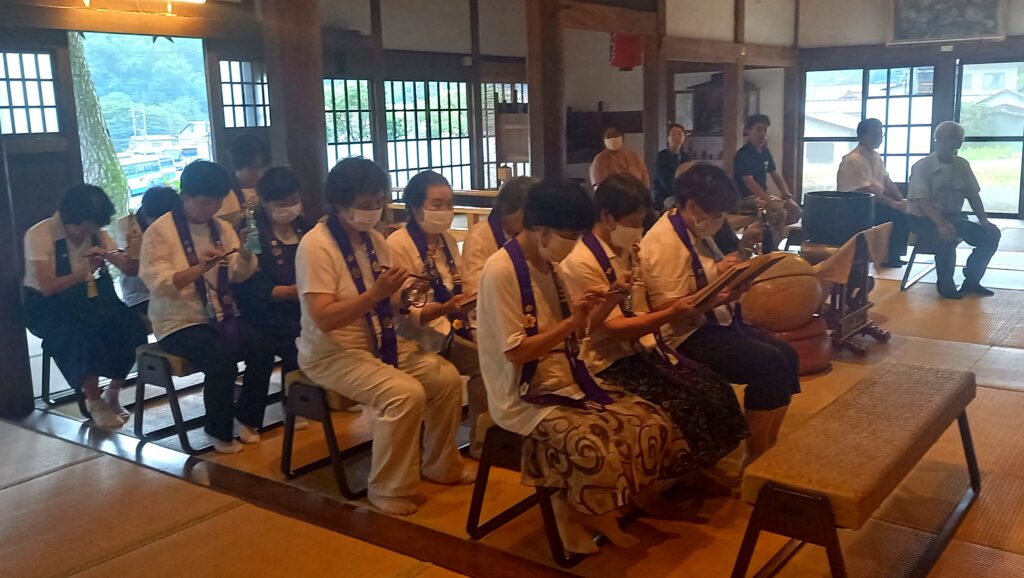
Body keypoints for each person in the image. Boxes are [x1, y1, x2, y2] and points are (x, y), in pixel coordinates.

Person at [476, 178, 691, 554]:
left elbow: (583, 332)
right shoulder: (501, 270)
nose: (573, 243)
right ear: (539, 227)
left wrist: (605, 301)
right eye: (568, 235)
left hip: (566, 377)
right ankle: (578, 513)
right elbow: (516, 354)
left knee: (648, 419)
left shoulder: (548, 263)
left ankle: (598, 507)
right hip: (523, 392)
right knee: (591, 442)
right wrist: (570, 323)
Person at [296, 157, 471, 516]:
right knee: (404, 394)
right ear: (341, 204)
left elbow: (393, 302)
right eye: (365, 205)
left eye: (378, 203)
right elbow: (324, 318)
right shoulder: (316, 245)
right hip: (332, 352)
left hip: (381, 341)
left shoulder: (376, 239)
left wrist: (409, 293)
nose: (374, 212)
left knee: (447, 379)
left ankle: (439, 463)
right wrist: (376, 295)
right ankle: (387, 487)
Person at [559, 173, 749, 471]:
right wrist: (671, 315)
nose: (638, 231)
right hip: (608, 361)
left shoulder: (624, 252)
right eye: (634, 223)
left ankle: (697, 472)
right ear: (608, 216)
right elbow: (611, 327)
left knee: (715, 388)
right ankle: (660, 483)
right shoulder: (581, 261)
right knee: (686, 401)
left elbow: (641, 306)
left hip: (641, 348)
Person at [641, 163, 800, 469]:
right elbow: (672, 312)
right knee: (769, 363)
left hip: (708, 320)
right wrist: (720, 290)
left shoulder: (691, 227)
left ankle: (767, 446)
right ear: (691, 204)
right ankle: (754, 457)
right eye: (714, 213)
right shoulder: (665, 242)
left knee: (787, 355)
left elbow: (702, 277)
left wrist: (729, 279)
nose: (717, 220)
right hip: (682, 337)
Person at [140, 160, 275, 454]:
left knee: (263, 346)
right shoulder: (160, 231)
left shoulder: (222, 227)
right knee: (221, 358)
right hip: (179, 321)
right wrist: (198, 268)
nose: (211, 209)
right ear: (184, 196)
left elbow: (238, 275)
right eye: (204, 203)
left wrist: (249, 255)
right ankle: (217, 428)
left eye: (216, 202)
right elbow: (158, 283)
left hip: (223, 314)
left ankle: (247, 418)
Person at [23, 184, 148, 428]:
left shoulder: (97, 233)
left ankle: (112, 392)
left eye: (94, 227)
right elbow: (46, 287)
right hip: (48, 307)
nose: (88, 233)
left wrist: (118, 253)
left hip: (91, 299)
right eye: (84, 228)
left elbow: (130, 269)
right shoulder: (40, 234)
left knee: (133, 325)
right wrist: (84, 271)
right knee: (82, 334)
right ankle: (93, 400)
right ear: (69, 218)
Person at [386, 170, 488, 457]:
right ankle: (439, 454)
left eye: (448, 204)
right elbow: (406, 310)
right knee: (453, 376)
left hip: (447, 329)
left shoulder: (445, 240)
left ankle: (482, 442)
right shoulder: (398, 245)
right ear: (416, 207)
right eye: (437, 204)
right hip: (411, 338)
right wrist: (446, 307)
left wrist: (472, 298)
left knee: (490, 361)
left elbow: (459, 284)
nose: (445, 211)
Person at [232, 167, 310, 382]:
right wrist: (288, 292)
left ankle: (304, 398)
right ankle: (297, 400)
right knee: (301, 337)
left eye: (293, 200)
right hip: (265, 312)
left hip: (302, 304)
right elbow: (247, 286)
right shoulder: (251, 230)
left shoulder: (304, 227)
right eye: (281, 204)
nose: (289, 208)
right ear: (264, 202)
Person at [907, 121, 1001, 299]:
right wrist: (941, 224)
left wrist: (984, 220)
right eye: (945, 139)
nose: (950, 143)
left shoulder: (962, 165)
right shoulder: (922, 166)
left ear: (959, 143)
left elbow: (973, 195)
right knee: (946, 236)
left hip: (953, 216)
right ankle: (946, 286)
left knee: (991, 235)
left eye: (955, 140)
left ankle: (972, 280)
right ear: (937, 140)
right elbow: (922, 201)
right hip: (922, 218)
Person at [837, 118, 911, 267]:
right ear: (862, 136)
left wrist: (901, 199)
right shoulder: (852, 159)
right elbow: (865, 191)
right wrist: (893, 204)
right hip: (856, 206)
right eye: (875, 134)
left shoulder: (876, 156)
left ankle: (893, 254)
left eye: (881, 135)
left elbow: (887, 180)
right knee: (896, 215)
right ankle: (886, 256)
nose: (879, 138)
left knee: (905, 212)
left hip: (875, 202)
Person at [115, 186, 180, 324]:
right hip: (140, 294)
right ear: (145, 212)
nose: (160, 224)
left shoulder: (177, 220)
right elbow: (134, 267)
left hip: (172, 287)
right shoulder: (128, 225)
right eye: (156, 219)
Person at [461, 176, 534, 297]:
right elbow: (475, 289)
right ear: (507, 209)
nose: (531, 219)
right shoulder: (478, 236)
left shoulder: (533, 233)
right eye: (527, 213)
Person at [733, 114, 800, 244]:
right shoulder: (743, 154)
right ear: (748, 131)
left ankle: (772, 241)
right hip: (744, 198)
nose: (762, 133)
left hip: (761, 196)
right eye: (758, 129)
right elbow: (750, 182)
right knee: (778, 211)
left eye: (765, 129)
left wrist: (788, 197)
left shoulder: (765, 152)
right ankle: (770, 249)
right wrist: (770, 201)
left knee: (794, 210)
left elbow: (776, 175)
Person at [216, 133, 271, 226]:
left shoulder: (271, 187)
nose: (260, 174)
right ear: (238, 164)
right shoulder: (222, 192)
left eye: (262, 167)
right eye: (254, 168)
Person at [653, 123, 690, 210]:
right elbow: (664, 181)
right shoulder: (662, 156)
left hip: (682, 194)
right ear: (668, 138)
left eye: (680, 134)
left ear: (684, 138)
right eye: (673, 133)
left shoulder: (685, 156)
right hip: (664, 195)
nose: (676, 136)